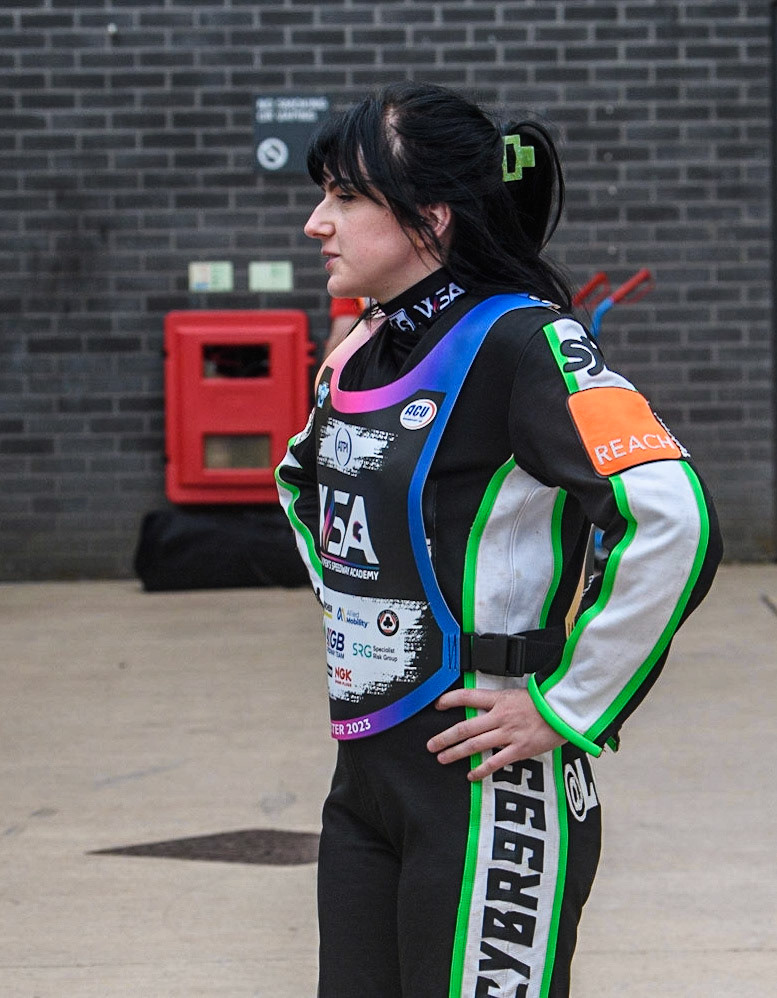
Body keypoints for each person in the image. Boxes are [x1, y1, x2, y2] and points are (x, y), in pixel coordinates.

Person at [275, 82, 722, 998]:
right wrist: (369, 623)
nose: (318, 222)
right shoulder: (366, 346)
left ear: (429, 216)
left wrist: (565, 704)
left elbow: (670, 518)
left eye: (346, 197)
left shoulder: (525, 342)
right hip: (366, 770)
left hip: (489, 780)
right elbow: (302, 487)